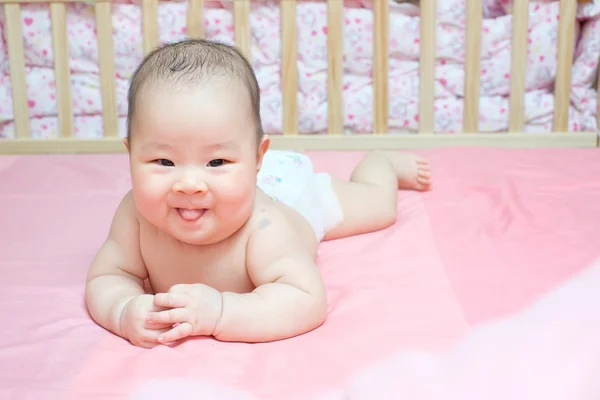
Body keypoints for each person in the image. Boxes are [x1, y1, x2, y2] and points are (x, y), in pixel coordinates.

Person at [84, 38, 432, 348]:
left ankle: (381, 164)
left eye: (216, 160)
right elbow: (108, 276)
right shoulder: (136, 214)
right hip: (239, 182)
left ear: (256, 157)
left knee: (378, 206)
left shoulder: (262, 226)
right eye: (164, 161)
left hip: (294, 195)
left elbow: (306, 299)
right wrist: (123, 309)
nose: (189, 183)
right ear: (130, 154)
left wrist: (221, 312)